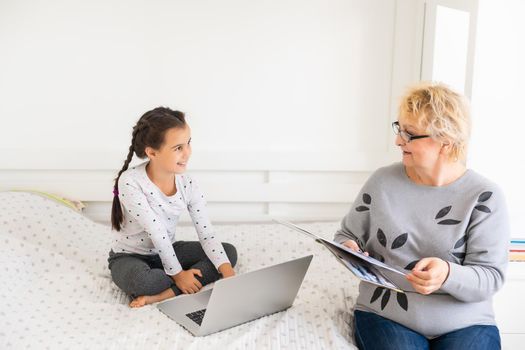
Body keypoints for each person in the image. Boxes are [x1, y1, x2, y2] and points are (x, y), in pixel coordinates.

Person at [334, 82, 509, 349]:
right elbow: (347, 235)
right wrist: (349, 249)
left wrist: (448, 273)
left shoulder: (484, 197)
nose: (398, 140)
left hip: (466, 322)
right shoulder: (382, 182)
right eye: (399, 129)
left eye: (410, 134)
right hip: (386, 315)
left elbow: (490, 277)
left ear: (446, 143)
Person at [108, 107, 237, 308]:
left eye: (188, 143)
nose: (187, 153)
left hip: (168, 250)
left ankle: (165, 294)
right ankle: (171, 285)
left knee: (227, 254)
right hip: (130, 257)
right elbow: (156, 230)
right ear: (152, 152)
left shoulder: (188, 184)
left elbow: (207, 234)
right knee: (147, 281)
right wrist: (178, 274)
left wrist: (231, 278)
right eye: (178, 148)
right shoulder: (131, 182)